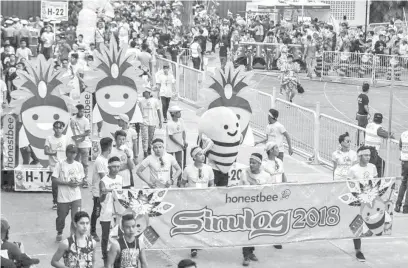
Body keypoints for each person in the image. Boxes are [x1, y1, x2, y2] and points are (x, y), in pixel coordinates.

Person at [180, 146, 214, 258]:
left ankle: (200, 241)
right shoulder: (187, 169)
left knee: (203, 222)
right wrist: (185, 196)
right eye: (199, 154)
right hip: (192, 200)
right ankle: (193, 247)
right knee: (193, 223)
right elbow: (182, 183)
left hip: (204, 200)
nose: (202, 156)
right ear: (194, 157)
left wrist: (209, 195)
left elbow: (211, 184)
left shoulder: (209, 169)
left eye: (203, 154)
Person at [347, 145, 378, 262]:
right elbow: (349, 185)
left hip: (369, 201)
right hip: (358, 201)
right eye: (366, 155)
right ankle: (358, 251)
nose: (368, 157)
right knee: (357, 225)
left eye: (369, 155)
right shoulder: (353, 169)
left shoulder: (373, 167)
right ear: (359, 156)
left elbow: (376, 182)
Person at [240, 153, 271, 266]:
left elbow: (269, 193)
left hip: (259, 207)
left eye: (254, 163)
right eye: (250, 162)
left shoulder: (266, 176)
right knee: (248, 230)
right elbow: (241, 189)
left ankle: (251, 251)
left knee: (255, 231)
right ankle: (246, 255)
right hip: (247, 206)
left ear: (259, 164)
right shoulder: (244, 173)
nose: (251, 165)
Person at [52, 144, 85, 242]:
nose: (72, 155)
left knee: (76, 218)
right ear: (66, 153)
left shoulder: (79, 165)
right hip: (63, 197)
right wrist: (67, 183)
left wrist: (78, 183)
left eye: (74, 153)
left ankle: (73, 236)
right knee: (61, 217)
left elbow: (82, 180)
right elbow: (54, 179)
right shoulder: (60, 164)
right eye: (70, 152)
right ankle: (59, 231)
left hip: (76, 196)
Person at [44, 121, 74, 210]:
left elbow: (71, 150)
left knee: (66, 183)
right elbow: (46, 151)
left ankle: (67, 202)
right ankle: (55, 202)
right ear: (53, 128)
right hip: (54, 165)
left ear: (63, 128)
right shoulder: (49, 138)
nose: (58, 129)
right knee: (55, 184)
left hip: (65, 164)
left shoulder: (67, 138)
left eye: (60, 127)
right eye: (56, 127)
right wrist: (54, 152)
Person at [100, 156, 123, 263]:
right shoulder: (103, 181)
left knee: (118, 236)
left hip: (118, 213)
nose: (116, 169)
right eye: (114, 166)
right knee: (105, 237)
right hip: (106, 213)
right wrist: (104, 193)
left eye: (118, 166)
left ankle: (117, 258)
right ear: (109, 167)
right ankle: (105, 259)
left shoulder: (120, 179)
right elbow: (101, 199)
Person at [90, 137, 113, 243]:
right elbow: (104, 177)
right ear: (109, 147)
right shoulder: (100, 161)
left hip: (106, 190)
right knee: (97, 212)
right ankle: (93, 232)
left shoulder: (106, 159)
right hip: (98, 191)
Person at [70, 104, 91, 188]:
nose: (82, 113)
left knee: (85, 163)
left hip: (85, 144)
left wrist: (79, 136)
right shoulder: (72, 119)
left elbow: (87, 132)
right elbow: (70, 130)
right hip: (75, 144)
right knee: (75, 162)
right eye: (80, 111)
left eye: (83, 111)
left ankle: (85, 180)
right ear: (76, 111)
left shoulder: (85, 120)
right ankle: (76, 179)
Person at [166, 105, 187, 184]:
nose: (180, 113)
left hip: (179, 146)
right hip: (170, 147)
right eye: (178, 112)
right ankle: (170, 179)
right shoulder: (169, 124)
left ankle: (179, 180)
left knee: (179, 163)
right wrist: (180, 144)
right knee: (170, 164)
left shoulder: (181, 121)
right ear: (173, 114)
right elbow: (171, 137)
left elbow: (183, 131)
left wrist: (184, 141)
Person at [139, 88, 162, 158]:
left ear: (149, 93)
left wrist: (160, 121)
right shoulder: (141, 101)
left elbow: (158, 111)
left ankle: (149, 147)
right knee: (144, 137)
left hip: (152, 121)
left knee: (150, 137)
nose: (144, 93)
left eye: (146, 92)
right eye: (144, 92)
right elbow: (139, 112)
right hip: (144, 121)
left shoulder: (155, 101)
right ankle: (145, 151)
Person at [395, 129, 408, 213]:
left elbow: (400, 146)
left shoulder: (403, 134)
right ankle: (406, 207)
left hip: (404, 162)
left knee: (403, 183)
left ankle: (397, 205)